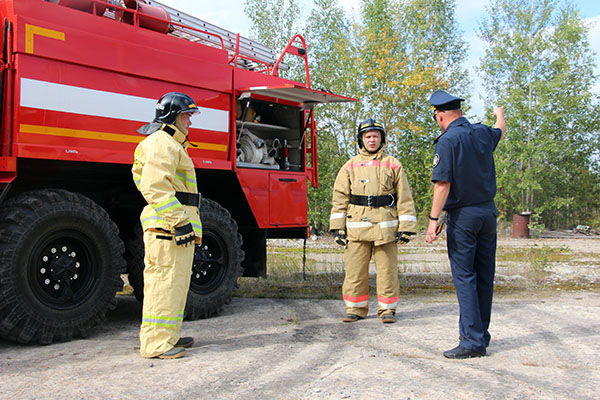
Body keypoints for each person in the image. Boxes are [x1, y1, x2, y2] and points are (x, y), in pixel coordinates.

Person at [425, 90, 506, 359]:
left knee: (465, 277)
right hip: (487, 213)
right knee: (484, 275)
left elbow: (443, 185)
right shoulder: (482, 133)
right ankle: (481, 335)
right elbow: (500, 132)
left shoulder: (447, 141)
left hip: (464, 217)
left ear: (440, 115)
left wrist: (433, 220)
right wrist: (500, 114)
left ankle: (471, 341)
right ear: (460, 111)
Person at [132, 92, 203, 359]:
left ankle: (168, 337)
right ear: (173, 116)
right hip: (168, 228)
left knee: (173, 285)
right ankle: (156, 345)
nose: (190, 122)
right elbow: (155, 187)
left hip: (170, 228)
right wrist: (180, 221)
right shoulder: (162, 143)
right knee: (163, 285)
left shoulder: (171, 144)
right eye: (187, 116)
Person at [330, 118, 417, 324]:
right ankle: (355, 308)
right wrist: (337, 228)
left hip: (385, 227)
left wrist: (406, 228)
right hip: (356, 227)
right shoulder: (349, 166)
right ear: (361, 140)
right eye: (367, 136)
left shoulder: (393, 164)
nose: (371, 140)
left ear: (382, 139)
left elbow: (404, 197)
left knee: (387, 270)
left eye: (375, 136)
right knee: (354, 270)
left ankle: (387, 309)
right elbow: (340, 198)